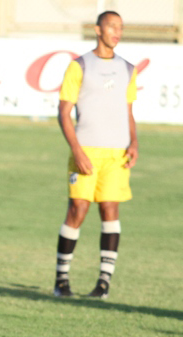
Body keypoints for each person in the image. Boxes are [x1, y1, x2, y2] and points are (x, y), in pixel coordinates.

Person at [52, 10, 138, 299]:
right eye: (111, 26)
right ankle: (61, 280)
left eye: (120, 27)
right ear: (97, 29)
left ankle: (103, 284)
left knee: (110, 210)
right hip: (86, 151)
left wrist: (134, 142)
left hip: (117, 155)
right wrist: (76, 150)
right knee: (78, 210)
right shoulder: (80, 66)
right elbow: (63, 113)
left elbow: (128, 112)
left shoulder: (127, 68)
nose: (117, 31)